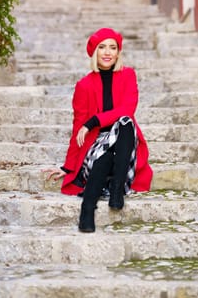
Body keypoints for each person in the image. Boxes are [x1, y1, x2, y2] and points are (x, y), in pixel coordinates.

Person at [44, 28, 153, 233]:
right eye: (102, 47)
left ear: (118, 53)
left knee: (125, 123)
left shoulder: (128, 75)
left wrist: (93, 121)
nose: (107, 52)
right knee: (105, 156)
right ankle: (87, 209)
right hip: (98, 145)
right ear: (94, 51)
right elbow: (78, 127)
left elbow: (128, 110)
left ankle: (117, 191)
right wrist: (68, 167)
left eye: (113, 47)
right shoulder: (84, 85)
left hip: (126, 145)